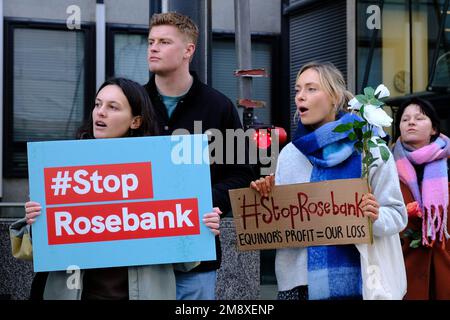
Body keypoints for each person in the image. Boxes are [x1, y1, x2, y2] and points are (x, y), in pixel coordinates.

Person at [10, 77, 221, 300]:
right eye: (98, 104)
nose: (100, 112)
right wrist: (36, 225)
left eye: (113, 107)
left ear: (136, 121)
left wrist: (200, 227)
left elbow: (184, 262)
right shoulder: (63, 167)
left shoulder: (164, 171)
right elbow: (32, 252)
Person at [250, 61, 407, 300]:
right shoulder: (290, 154)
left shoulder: (369, 149)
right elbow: (281, 224)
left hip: (360, 281)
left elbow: (397, 214)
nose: (300, 97)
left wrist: (374, 215)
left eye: (311, 89)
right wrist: (266, 197)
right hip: (297, 285)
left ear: (335, 97)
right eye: (297, 90)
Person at [144, 12, 255, 300]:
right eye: (151, 41)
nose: (153, 48)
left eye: (164, 42)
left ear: (188, 51)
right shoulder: (131, 104)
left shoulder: (219, 107)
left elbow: (244, 172)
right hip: (139, 255)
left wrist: (203, 201)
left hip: (195, 257)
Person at [392, 98, 450, 299]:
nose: (411, 122)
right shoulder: (385, 165)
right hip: (403, 269)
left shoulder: (448, 162)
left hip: (443, 267)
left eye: (419, 117)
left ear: (434, 129)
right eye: (405, 119)